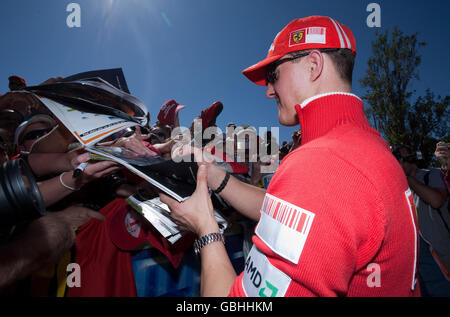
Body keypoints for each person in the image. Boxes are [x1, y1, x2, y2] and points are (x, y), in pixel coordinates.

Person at [160, 16, 420, 297]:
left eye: (273, 75)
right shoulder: (366, 145)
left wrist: (205, 228)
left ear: (313, 65)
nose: (269, 92)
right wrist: (213, 174)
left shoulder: (321, 164)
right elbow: (286, 210)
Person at [394, 144, 450, 296]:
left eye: (401, 156)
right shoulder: (399, 188)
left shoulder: (431, 174)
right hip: (418, 265)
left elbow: (436, 200)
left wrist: (407, 179)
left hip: (442, 256)